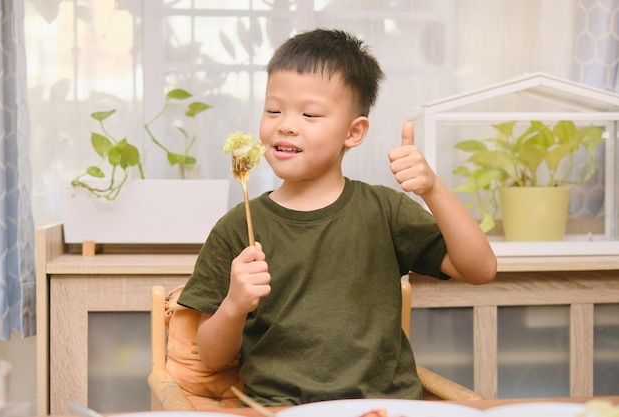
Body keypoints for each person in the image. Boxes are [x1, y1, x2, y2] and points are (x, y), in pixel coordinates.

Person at [177, 28, 497, 406]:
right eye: (273, 110)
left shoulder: (385, 211)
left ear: (354, 132)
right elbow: (212, 358)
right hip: (278, 410)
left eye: (309, 113)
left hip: (383, 408)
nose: (286, 124)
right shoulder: (237, 227)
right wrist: (234, 304)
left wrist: (433, 189)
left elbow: (481, 270)